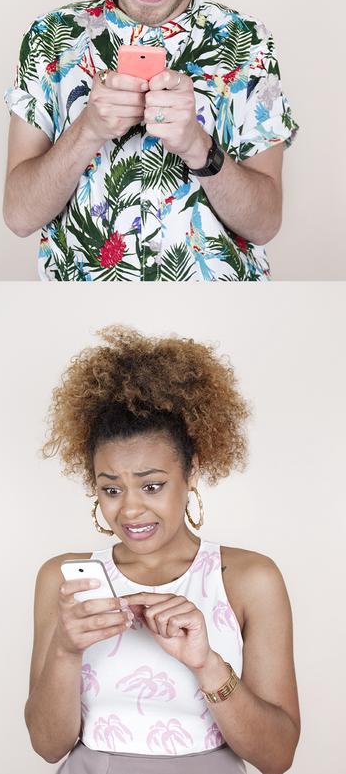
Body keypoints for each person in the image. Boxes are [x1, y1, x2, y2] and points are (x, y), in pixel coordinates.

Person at [2, 0, 291, 282]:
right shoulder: (51, 37)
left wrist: (197, 145)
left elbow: (266, 223)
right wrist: (88, 130)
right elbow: (19, 216)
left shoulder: (248, 41)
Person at [25, 330, 302, 771]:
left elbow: (277, 756)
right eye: (111, 488)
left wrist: (207, 663)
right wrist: (65, 649)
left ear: (191, 471)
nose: (131, 508)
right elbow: (47, 745)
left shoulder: (248, 578)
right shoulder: (63, 578)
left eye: (152, 485)